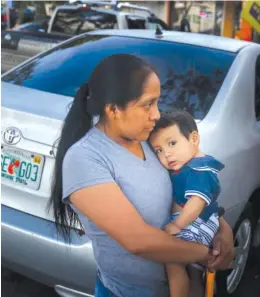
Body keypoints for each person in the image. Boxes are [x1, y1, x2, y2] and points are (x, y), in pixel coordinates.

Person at [48, 53, 234, 297]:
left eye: (158, 102)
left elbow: (189, 188)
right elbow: (139, 242)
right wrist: (208, 254)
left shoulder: (151, 140)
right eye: (148, 104)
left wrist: (222, 229)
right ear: (113, 109)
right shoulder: (85, 158)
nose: (156, 114)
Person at [149, 110, 225, 297]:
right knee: (192, 271)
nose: (166, 154)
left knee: (172, 260)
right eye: (159, 150)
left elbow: (196, 203)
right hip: (194, 222)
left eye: (172, 143)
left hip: (196, 224)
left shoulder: (199, 169)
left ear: (194, 139)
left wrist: (177, 225)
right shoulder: (187, 166)